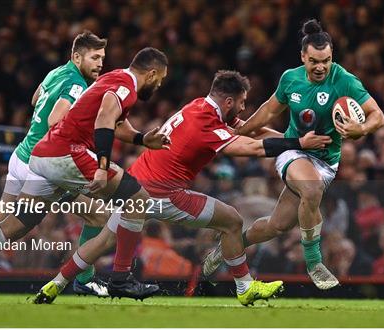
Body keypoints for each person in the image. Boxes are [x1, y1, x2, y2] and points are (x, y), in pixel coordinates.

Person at [33, 70, 332, 306]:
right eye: (241, 103)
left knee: (104, 240)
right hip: (163, 193)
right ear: (228, 102)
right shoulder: (206, 124)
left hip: (138, 183)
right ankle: (245, 287)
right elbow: (250, 147)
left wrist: (291, 139)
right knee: (232, 220)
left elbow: (246, 129)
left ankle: (54, 284)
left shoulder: (199, 107)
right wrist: (297, 144)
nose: (243, 108)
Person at [0, 47, 170, 304]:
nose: (159, 85)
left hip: (42, 155)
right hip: (67, 154)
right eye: (161, 80)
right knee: (137, 198)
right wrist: (102, 165)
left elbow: (115, 122)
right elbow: (105, 117)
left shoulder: (113, 78)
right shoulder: (126, 86)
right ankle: (121, 278)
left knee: (14, 225)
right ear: (152, 74)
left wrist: (142, 139)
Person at [202, 19, 384, 290]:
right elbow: (267, 111)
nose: (321, 67)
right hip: (294, 149)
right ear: (303, 57)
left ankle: (226, 247)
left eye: (326, 60)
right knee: (311, 191)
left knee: (276, 226)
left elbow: (378, 116)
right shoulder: (291, 79)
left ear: (332, 55)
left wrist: (362, 129)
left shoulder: (345, 80)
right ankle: (314, 263)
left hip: (326, 162)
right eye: (314, 61)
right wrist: (236, 131)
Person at [0, 31, 110, 300]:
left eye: (102, 58)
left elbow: (35, 100)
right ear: (77, 57)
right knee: (98, 216)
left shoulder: (55, 72)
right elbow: (57, 120)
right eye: (94, 57)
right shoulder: (77, 84)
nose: (100, 63)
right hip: (43, 165)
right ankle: (84, 279)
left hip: (22, 156)